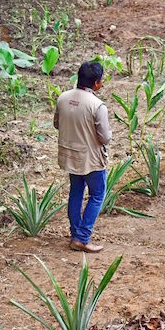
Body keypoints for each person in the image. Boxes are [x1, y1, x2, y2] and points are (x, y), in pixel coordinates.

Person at [54, 61, 111, 253]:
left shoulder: (63, 98)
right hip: (91, 159)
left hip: (70, 154)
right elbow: (105, 137)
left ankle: (75, 233)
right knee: (97, 195)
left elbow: (57, 124)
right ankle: (82, 237)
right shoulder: (97, 105)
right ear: (96, 83)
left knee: (76, 192)